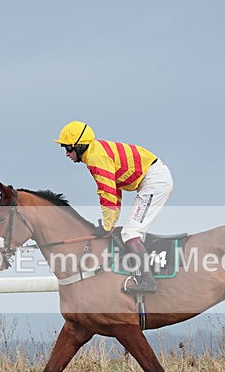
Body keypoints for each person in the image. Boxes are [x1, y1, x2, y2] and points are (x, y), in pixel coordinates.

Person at [54, 120, 173, 293]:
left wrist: (107, 225)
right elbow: (114, 190)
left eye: (68, 148)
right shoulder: (94, 154)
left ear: (79, 146)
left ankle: (149, 280)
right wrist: (109, 224)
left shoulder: (96, 158)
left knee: (130, 232)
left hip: (154, 181)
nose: (66, 154)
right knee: (128, 231)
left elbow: (107, 192)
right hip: (151, 179)